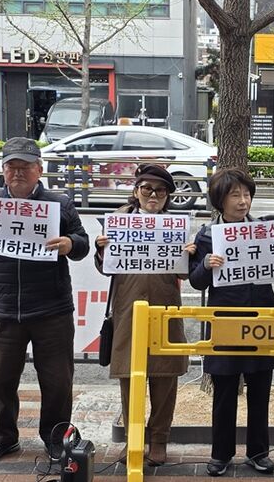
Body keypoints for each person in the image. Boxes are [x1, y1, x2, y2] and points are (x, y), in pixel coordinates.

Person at [0, 137, 89, 463]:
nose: (18, 172)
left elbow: (83, 243)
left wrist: (70, 243)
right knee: (1, 381)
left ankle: (56, 437)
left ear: (39, 170)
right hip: (4, 308)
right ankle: (3, 438)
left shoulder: (59, 204)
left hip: (52, 309)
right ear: (3, 170)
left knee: (57, 381)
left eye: (25, 166)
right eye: (12, 166)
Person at [189, 168, 274, 476]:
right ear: (220, 200)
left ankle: (258, 452)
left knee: (261, 389)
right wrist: (206, 264)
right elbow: (196, 281)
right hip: (225, 320)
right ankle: (221, 454)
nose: (243, 201)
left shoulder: (263, 230)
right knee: (224, 391)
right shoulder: (207, 235)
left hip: (261, 318)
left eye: (247, 194)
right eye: (235, 195)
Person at [94, 164, 194, 466]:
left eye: (160, 191)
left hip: (165, 307)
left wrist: (189, 255)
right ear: (136, 191)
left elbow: (184, 273)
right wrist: (101, 250)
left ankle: (160, 438)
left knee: (165, 377)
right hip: (128, 309)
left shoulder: (176, 225)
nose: (153, 195)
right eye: (147, 189)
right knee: (129, 377)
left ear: (168, 196)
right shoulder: (119, 221)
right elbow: (105, 268)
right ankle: (133, 439)